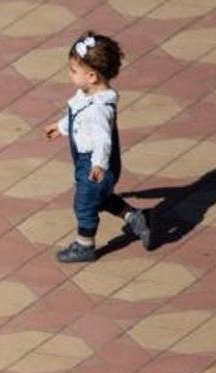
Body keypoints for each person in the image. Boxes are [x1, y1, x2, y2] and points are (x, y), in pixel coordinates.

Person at [43, 30, 151, 263]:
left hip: (94, 163)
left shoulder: (99, 109)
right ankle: (134, 217)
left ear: (91, 76)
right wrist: (62, 127)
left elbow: (103, 140)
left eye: (73, 71)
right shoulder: (87, 96)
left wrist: (99, 165)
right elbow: (76, 117)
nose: (69, 74)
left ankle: (85, 246)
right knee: (99, 199)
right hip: (92, 162)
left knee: (84, 203)